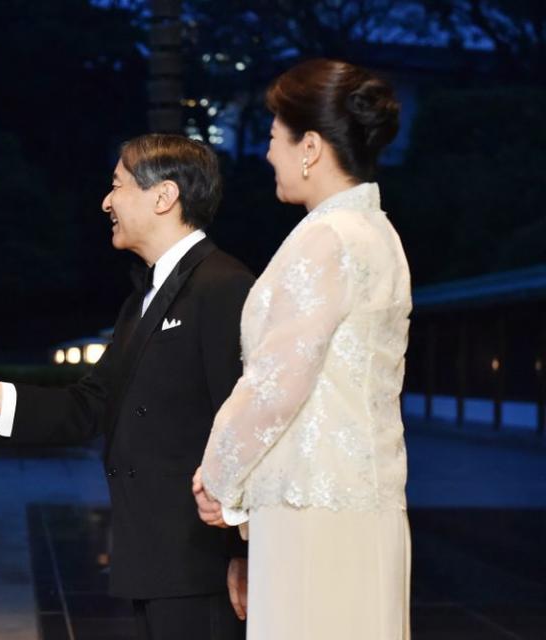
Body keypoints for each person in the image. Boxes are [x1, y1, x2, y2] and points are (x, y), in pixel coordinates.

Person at [0, 134, 254, 640]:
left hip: (201, 564)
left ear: (163, 196)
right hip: (152, 555)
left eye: (117, 185)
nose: (106, 202)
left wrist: (245, 550)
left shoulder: (224, 286)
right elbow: (91, 403)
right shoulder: (140, 302)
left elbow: (244, 425)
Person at [193, 58, 411, 639]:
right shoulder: (377, 233)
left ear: (309, 146)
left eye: (273, 138)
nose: (268, 154)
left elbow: (276, 383)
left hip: (311, 509)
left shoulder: (327, 238)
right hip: (361, 498)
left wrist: (218, 475)